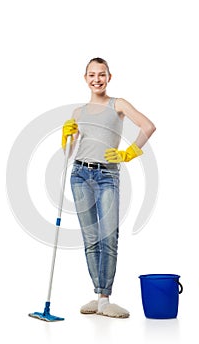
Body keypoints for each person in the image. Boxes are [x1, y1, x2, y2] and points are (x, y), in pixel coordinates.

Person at [61, 57, 156, 318]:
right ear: (85, 78)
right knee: (90, 239)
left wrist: (130, 153)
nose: (97, 79)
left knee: (108, 237)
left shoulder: (118, 104)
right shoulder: (78, 112)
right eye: (92, 75)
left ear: (109, 77)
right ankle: (99, 295)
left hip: (107, 176)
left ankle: (105, 298)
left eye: (101, 74)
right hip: (79, 174)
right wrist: (66, 136)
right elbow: (69, 153)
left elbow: (148, 126)